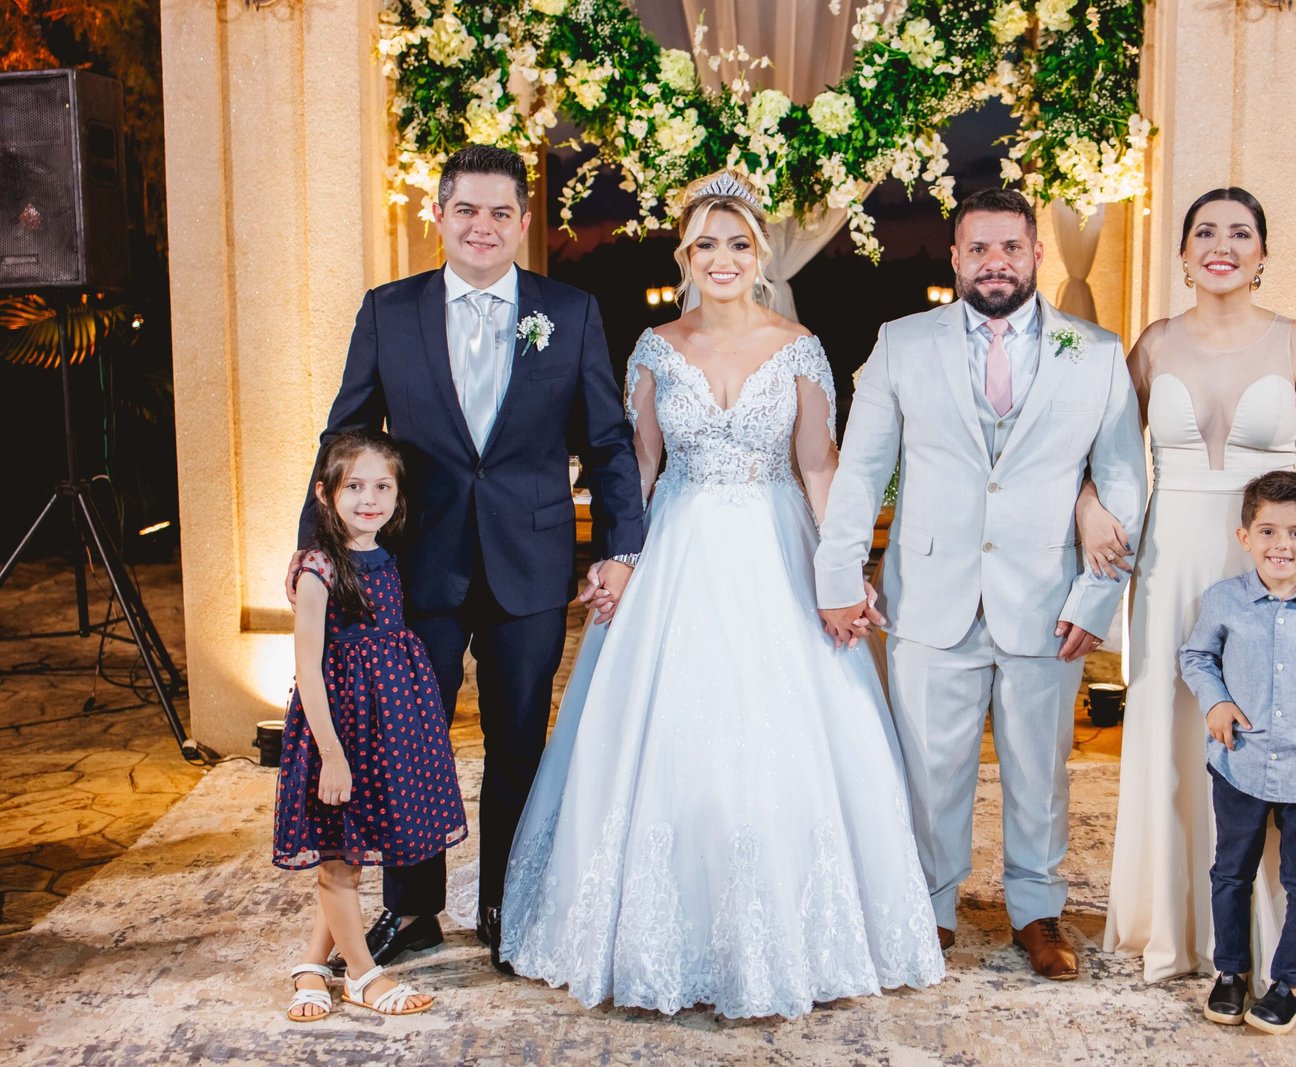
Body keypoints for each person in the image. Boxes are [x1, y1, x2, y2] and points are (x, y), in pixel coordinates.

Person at [484, 171, 944, 1019]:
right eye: (706, 244)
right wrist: (619, 557)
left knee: (785, 735)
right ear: (686, 254)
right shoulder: (655, 347)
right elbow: (639, 464)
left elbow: (818, 465)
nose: (721, 258)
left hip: (777, 549)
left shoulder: (799, 346)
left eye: (737, 243)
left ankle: (794, 933)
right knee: (662, 733)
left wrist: (842, 571)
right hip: (678, 548)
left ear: (758, 254)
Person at [289, 145, 645, 974]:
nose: (482, 226)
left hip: (530, 561)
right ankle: (413, 909)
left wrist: (620, 548)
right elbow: (344, 434)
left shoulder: (571, 310)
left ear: (523, 223)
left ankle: (506, 905)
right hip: (418, 565)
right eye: (466, 210)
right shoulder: (389, 310)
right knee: (408, 741)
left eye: (499, 213)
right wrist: (316, 553)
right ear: (439, 217)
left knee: (518, 738)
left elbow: (607, 441)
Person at [814, 187, 1148, 979]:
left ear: (1037, 254)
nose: (996, 262)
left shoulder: (1096, 352)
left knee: (1041, 770)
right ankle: (929, 908)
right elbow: (860, 470)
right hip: (932, 593)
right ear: (956, 258)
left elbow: (1123, 483)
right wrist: (839, 574)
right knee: (930, 771)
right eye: (979, 248)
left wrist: (1097, 597)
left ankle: (1037, 910)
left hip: (1048, 599)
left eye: (1011, 247)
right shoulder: (902, 343)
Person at [1088, 187, 1296, 988]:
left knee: (1272, 733)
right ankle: (1173, 922)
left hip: (1272, 562)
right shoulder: (1153, 344)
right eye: (1206, 232)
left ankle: (1264, 934)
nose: (1222, 245)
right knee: (1173, 731)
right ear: (1183, 254)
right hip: (1172, 562)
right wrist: (1089, 508)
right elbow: (1107, 455)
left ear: (1262, 254)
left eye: (1240, 233)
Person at [275, 429, 467, 1021]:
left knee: (350, 852)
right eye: (354, 486)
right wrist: (332, 756)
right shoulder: (318, 570)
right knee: (338, 862)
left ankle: (312, 965)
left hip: (384, 728)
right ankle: (363, 976)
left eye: (382, 487)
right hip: (339, 732)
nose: (369, 499)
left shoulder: (386, 554)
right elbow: (308, 669)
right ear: (324, 493)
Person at [1179, 470, 1296, 1034]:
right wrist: (1215, 702)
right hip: (1240, 765)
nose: (1280, 545)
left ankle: (1290, 982)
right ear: (1245, 537)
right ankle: (1231, 973)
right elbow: (1196, 657)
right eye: (1267, 531)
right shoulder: (1224, 600)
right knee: (1230, 872)